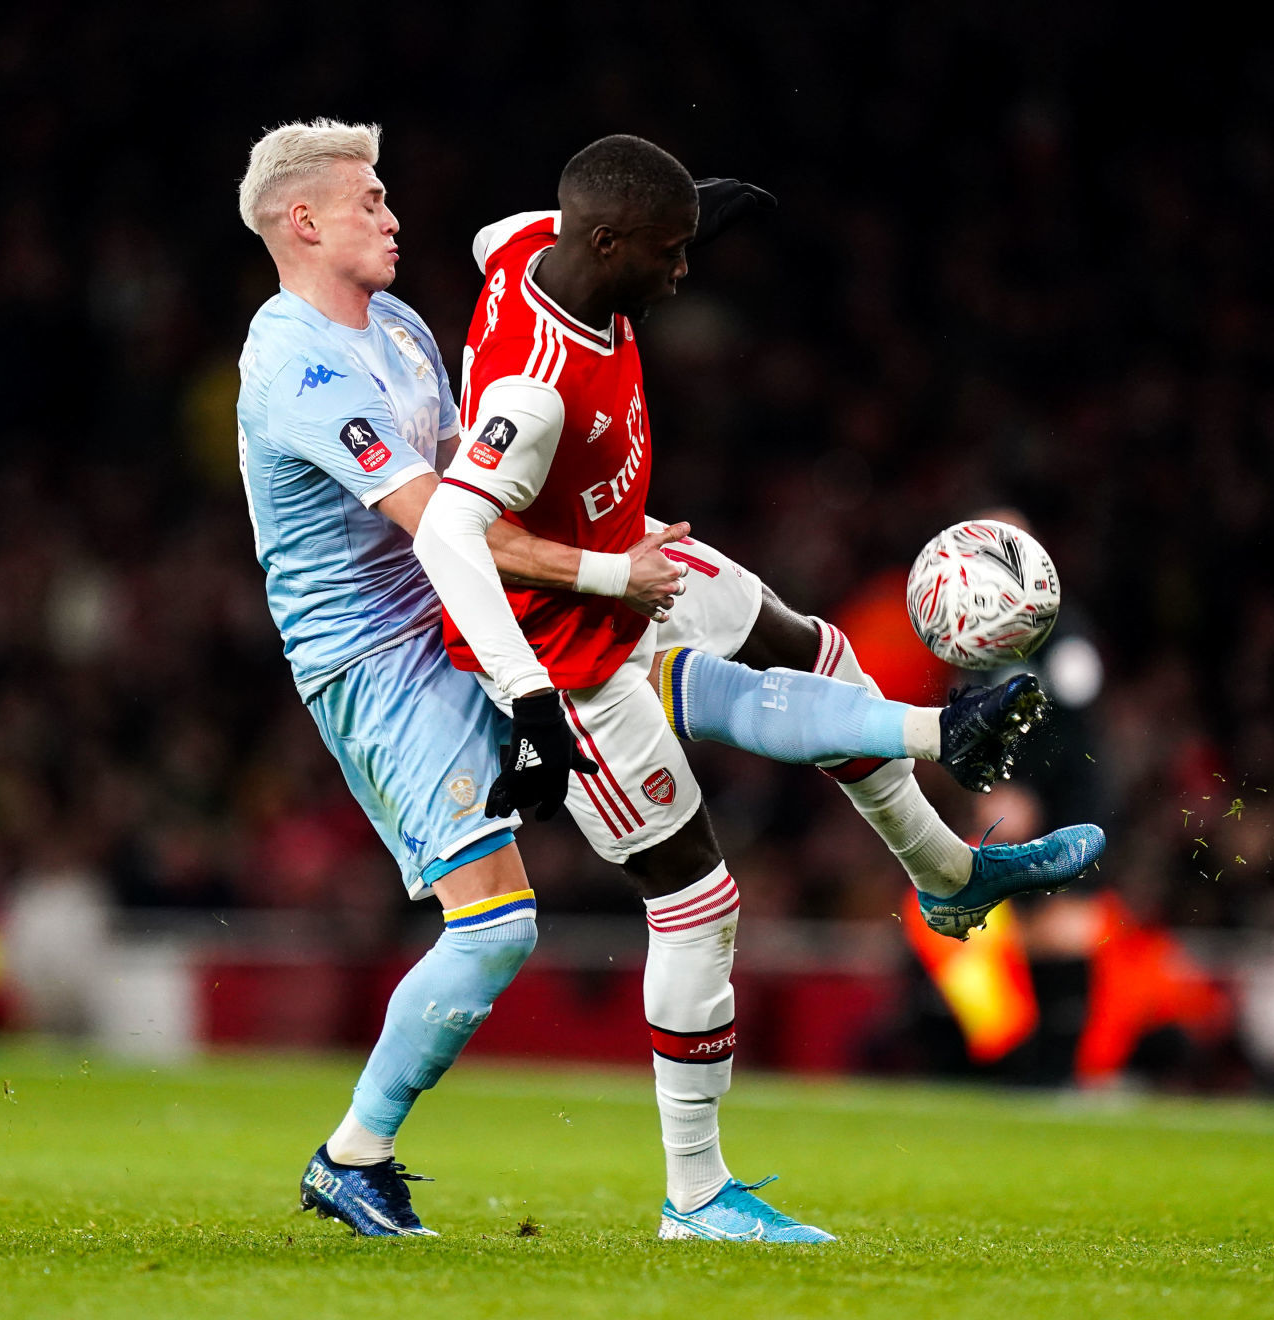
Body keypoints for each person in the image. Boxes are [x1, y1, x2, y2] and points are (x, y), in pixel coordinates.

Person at [238, 121, 1087, 1241]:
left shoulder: (423, 305)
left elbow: (527, 232)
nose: (394, 217)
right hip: (408, 653)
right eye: (369, 201)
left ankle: (948, 868)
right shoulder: (306, 366)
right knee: (519, 923)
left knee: (812, 647)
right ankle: (378, 1155)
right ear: (302, 223)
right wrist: (586, 611)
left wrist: (681, 209)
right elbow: (452, 534)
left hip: (571, 580)